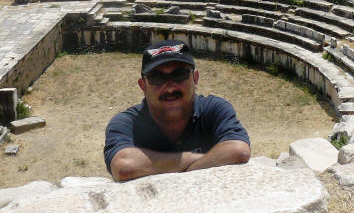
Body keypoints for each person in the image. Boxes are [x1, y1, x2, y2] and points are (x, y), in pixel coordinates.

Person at [104, 39, 251, 181]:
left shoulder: (215, 109)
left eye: (179, 75)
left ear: (195, 79)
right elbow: (123, 166)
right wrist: (199, 159)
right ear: (143, 86)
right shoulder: (126, 122)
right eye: (157, 77)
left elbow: (239, 150)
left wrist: (183, 170)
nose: (170, 87)